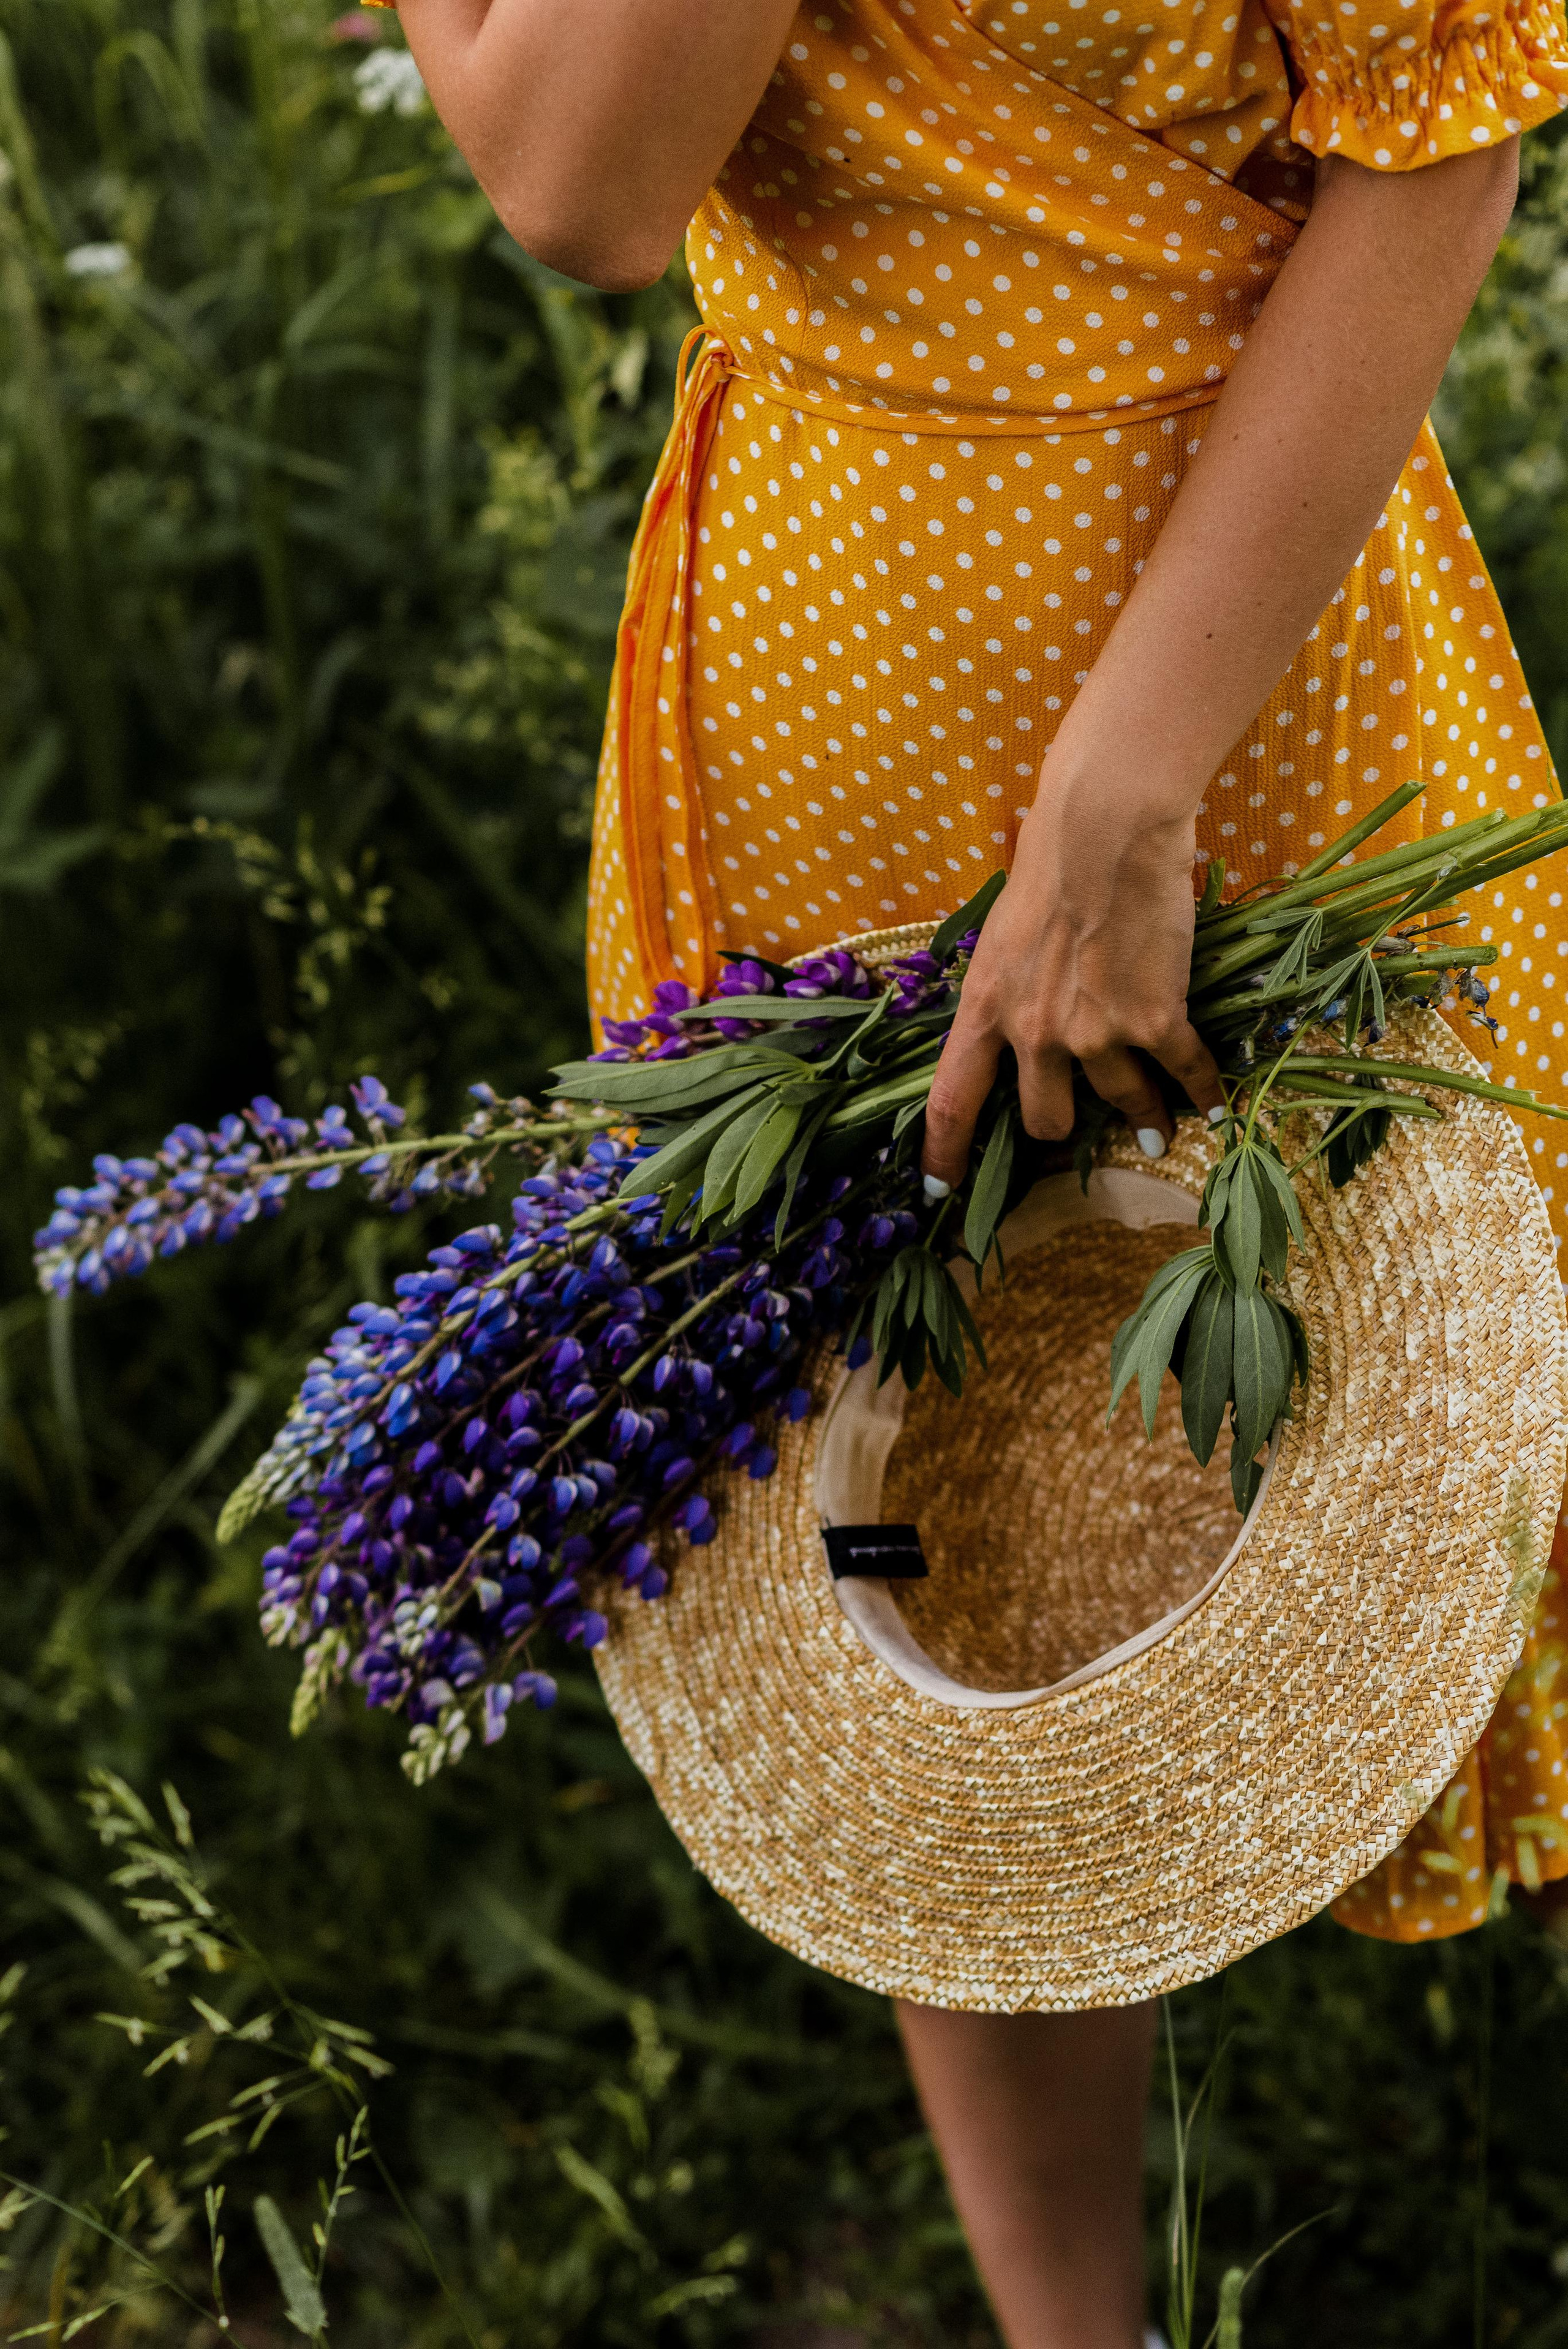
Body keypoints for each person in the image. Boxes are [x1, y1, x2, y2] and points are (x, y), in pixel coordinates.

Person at [386, 0, 1568, 2339]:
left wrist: (1121, 788)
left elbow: (1432, 146)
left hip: (1125, 652)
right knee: (957, 1534)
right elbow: (583, 186)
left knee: (1436, 1439)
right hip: (976, 669)